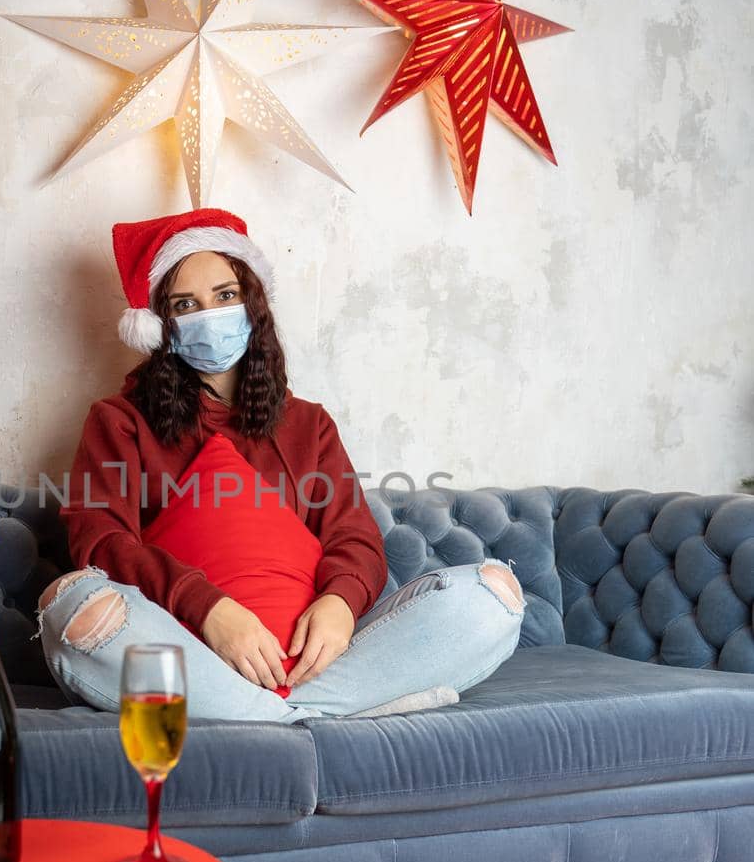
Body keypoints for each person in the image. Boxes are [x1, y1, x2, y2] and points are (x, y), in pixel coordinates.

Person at [34, 207, 525, 723]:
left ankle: (271, 711)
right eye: (186, 305)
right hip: (189, 649)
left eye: (225, 296)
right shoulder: (118, 421)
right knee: (74, 608)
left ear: (253, 304)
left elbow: (354, 539)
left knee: (490, 599)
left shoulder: (309, 425)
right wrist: (210, 611)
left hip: (313, 656)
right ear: (161, 325)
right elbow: (102, 542)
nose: (210, 315)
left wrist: (340, 603)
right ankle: (326, 711)